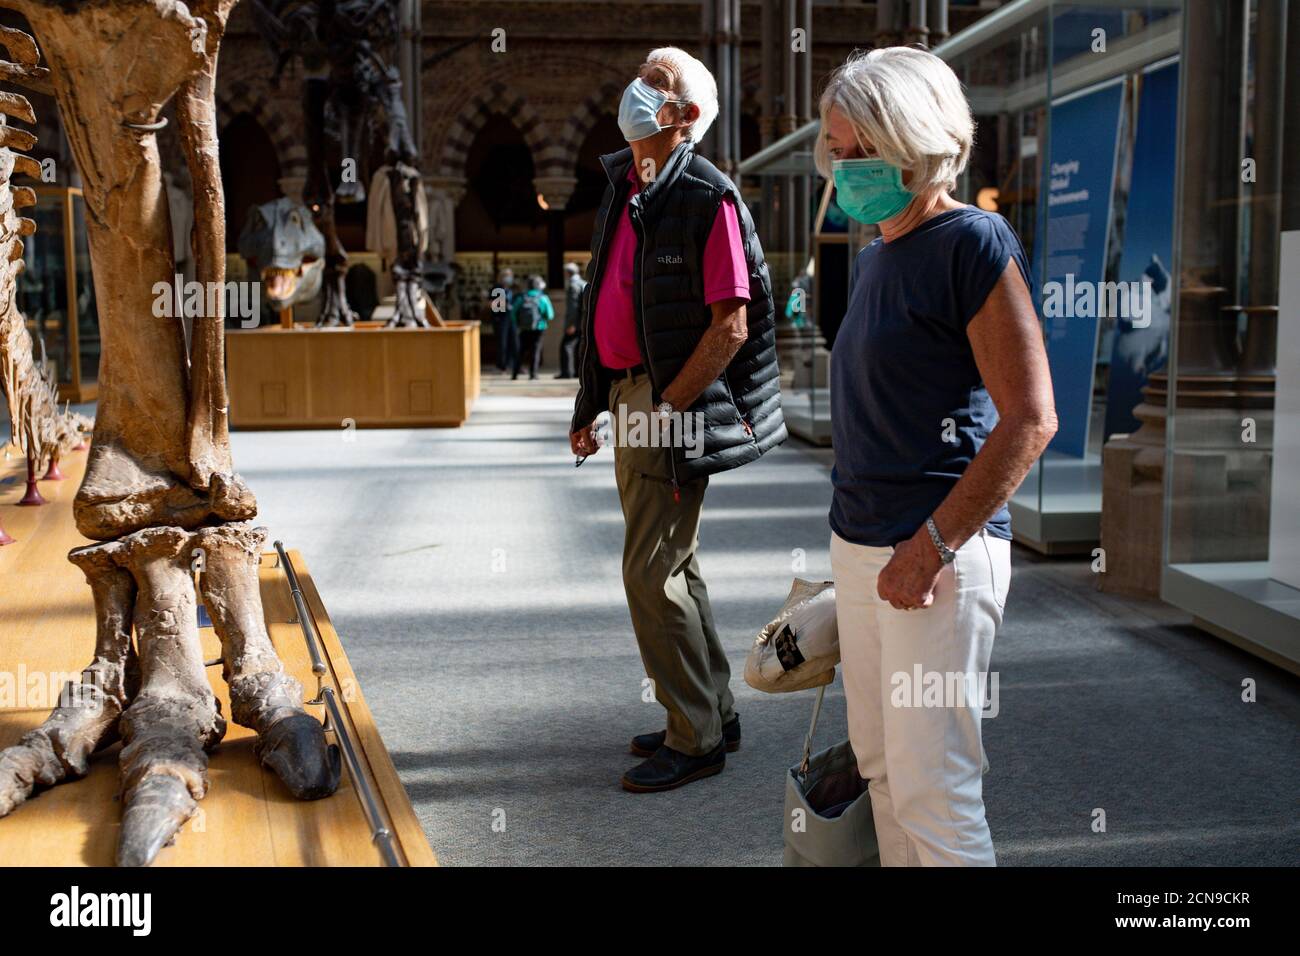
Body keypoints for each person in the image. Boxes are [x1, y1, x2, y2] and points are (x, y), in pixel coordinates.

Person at [818, 47, 1057, 865]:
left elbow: (1030, 417)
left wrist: (930, 548)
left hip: (937, 555)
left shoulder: (971, 240)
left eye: (861, 152)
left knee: (935, 788)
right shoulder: (879, 251)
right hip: (865, 546)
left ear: (916, 144)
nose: (844, 170)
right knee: (882, 770)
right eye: (836, 151)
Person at [569, 46, 786, 793]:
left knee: (649, 571)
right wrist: (591, 403)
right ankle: (709, 711)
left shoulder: (707, 194)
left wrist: (665, 409)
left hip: (670, 403)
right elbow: (607, 301)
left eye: (656, 83)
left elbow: (729, 326)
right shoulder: (628, 186)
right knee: (674, 565)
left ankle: (693, 738)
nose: (637, 88)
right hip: (632, 395)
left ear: (685, 115)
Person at [511, 275, 553, 380]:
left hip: (524, 329)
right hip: (539, 328)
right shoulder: (543, 298)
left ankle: (515, 374)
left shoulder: (522, 297)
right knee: (536, 351)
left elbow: (513, 313)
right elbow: (550, 315)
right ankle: (533, 374)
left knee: (521, 351)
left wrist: (519, 323)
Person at [556, 262, 586, 379]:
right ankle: (578, 372)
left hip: (575, 323)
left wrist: (571, 324)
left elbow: (573, 307)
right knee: (578, 347)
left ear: (567, 273)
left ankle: (566, 372)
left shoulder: (573, 286)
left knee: (566, 346)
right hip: (583, 321)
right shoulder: (583, 283)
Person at [491, 267, 518, 371]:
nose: (508, 278)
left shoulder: (513, 289)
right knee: (502, 342)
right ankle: (502, 365)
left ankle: (513, 363)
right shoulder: (497, 288)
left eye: (509, 275)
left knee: (514, 341)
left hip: (512, 318)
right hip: (501, 318)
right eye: (506, 275)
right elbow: (494, 306)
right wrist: (504, 304)